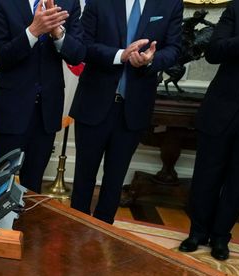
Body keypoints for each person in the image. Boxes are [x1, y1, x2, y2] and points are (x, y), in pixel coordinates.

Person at [69, 0, 182, 223]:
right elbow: (83, 44)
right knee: (84, 175)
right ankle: (75, 227)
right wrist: (120, 55)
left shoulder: (170, 4)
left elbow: (174, 48)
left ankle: (104, 231)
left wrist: (151, 60)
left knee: (115, 179)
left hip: (133, 108)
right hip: (94, 103)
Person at [179, 3, 239, 261]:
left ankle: (221, 237)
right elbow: (213, 51)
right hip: (222, 108)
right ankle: (197, 232)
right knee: (206, 173)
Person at [0, 0, 85, 193]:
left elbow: (78, 54)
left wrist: (58, 34)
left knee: (32, 189)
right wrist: (33, 32)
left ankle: (27, 224)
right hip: (11, 110)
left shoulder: (69, 3)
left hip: (46, 113)